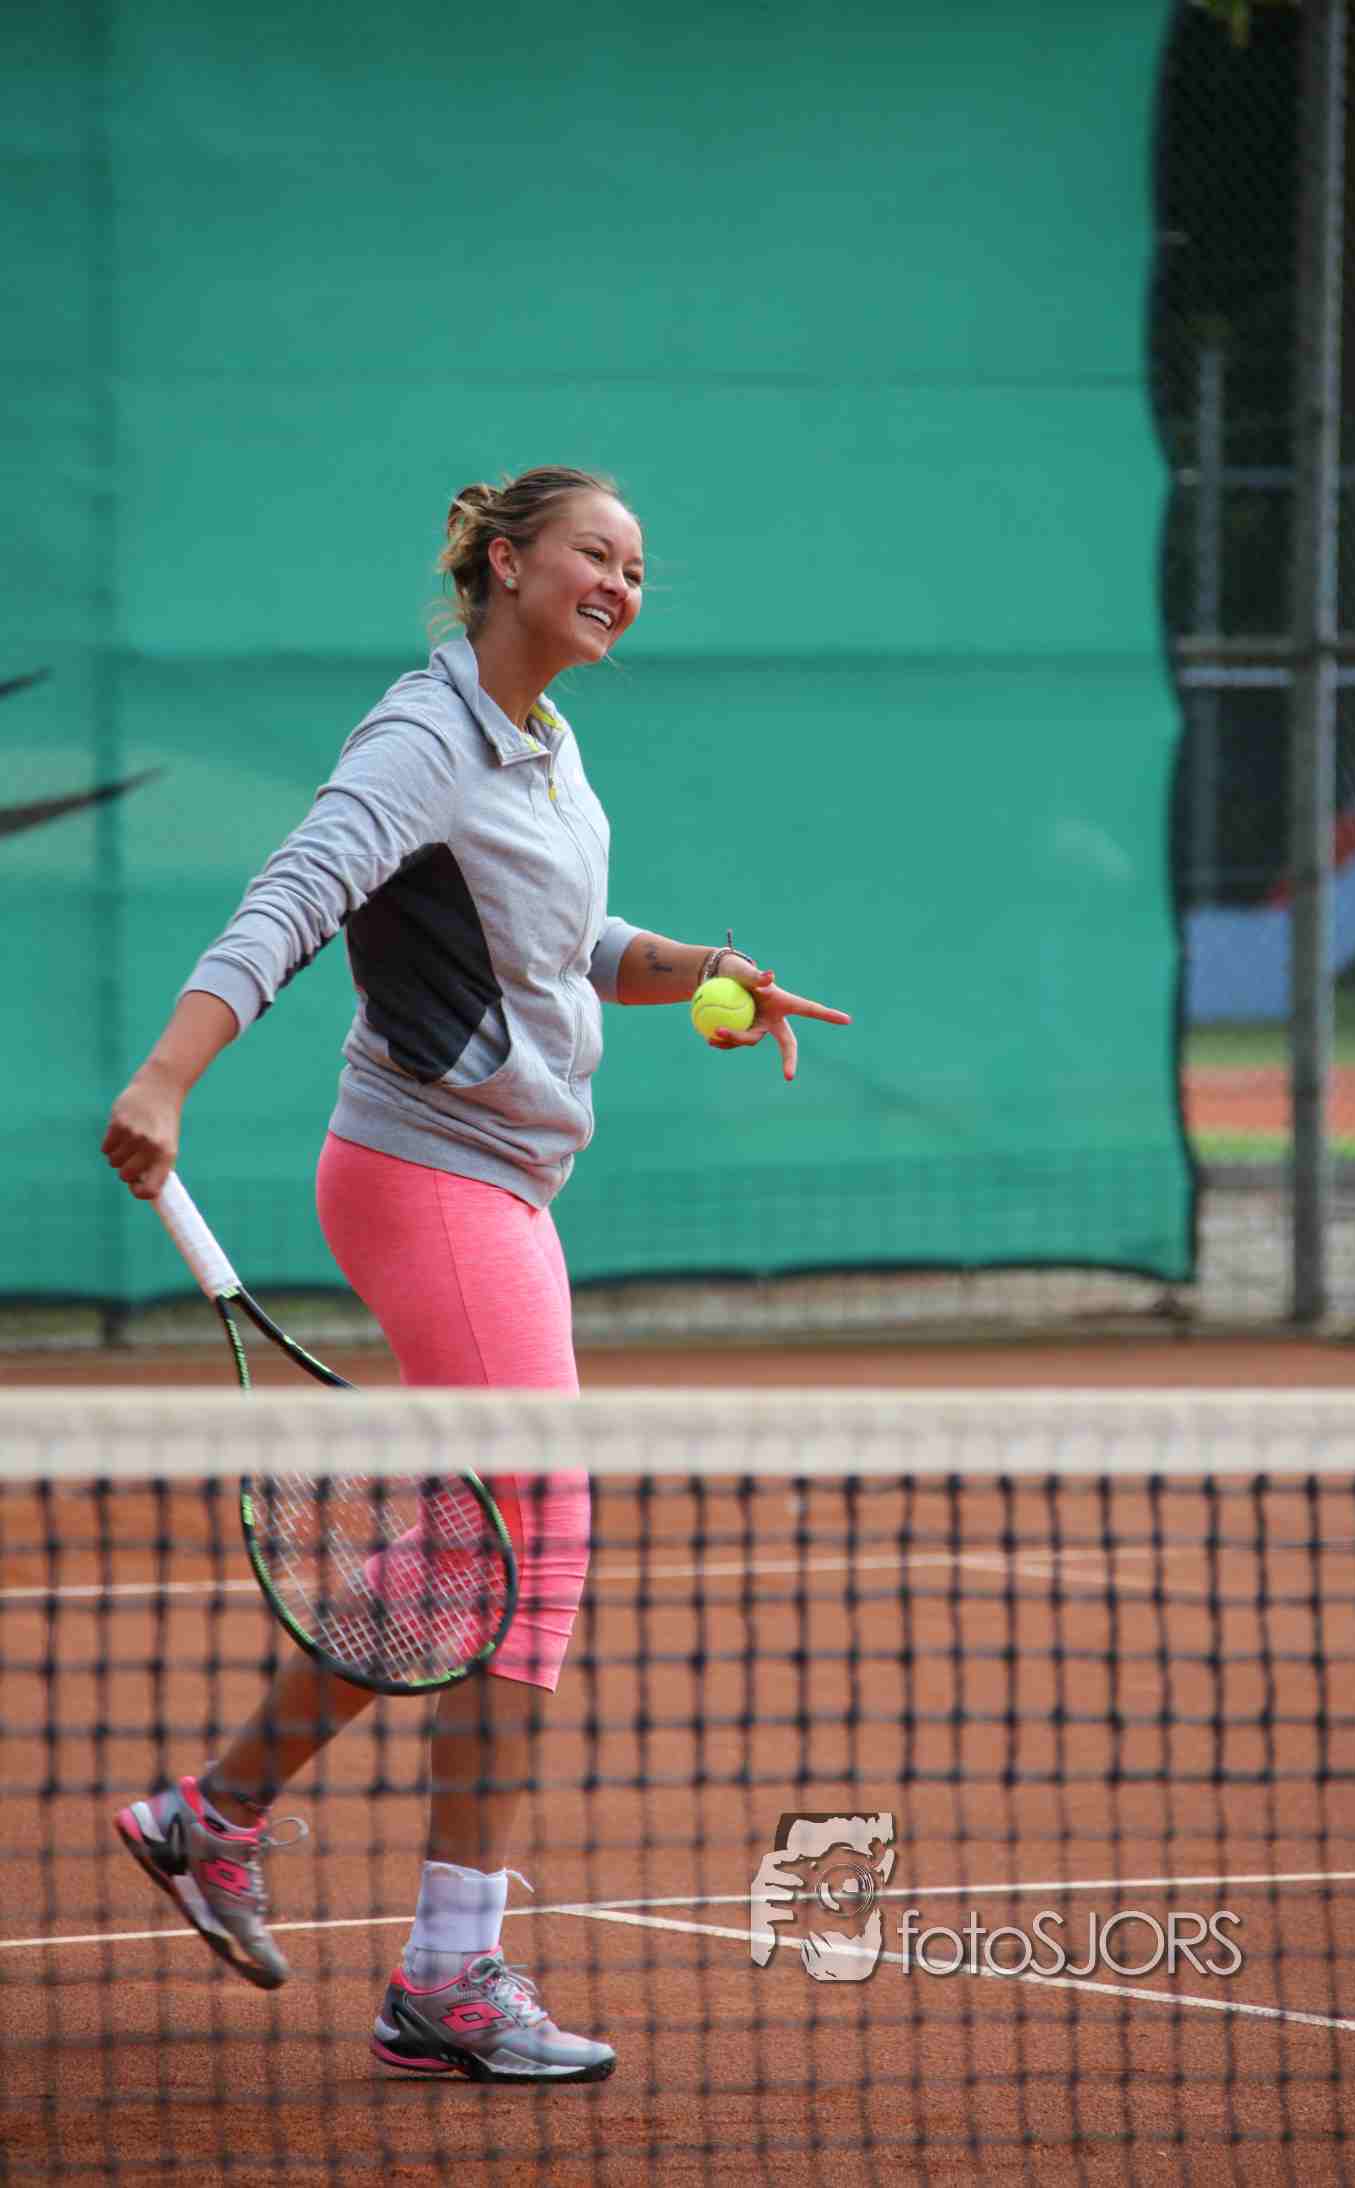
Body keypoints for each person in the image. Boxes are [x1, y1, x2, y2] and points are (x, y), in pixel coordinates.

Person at [100, 465, 850, 2088]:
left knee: (464, 1556)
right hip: (429, 1174)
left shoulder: (545, 748)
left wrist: (706, 971)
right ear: (506, 563)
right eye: (595, 552)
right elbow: (294, 896)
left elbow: (572, 945)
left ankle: (210, 1817)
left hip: (501, 1184)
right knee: (541, 1537)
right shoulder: (423, 736)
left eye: (638, 566)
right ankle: (449, 1972)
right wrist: (168, 1077)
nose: (622, 583)